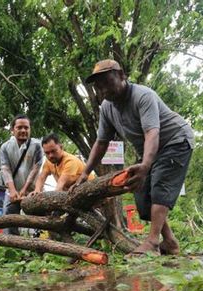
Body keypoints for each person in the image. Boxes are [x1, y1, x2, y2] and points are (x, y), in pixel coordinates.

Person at [72, 59, 194, 256]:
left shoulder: (142, 96)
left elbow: (151, 134)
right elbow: (101, 142)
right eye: (98, 86)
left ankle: (153, 242)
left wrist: (146, 165)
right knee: (141, 193)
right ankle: (170, 241)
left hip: (175, 140)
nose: (103, 89)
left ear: (121, 75)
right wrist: (85, 173)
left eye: (107, 82)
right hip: (149, 149)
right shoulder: (107, 108)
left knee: (159, 187)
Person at [0, 114, 44, 235]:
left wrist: (24, 190)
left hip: (33, 190)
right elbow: (5, 169)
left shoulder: (37, 145)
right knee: (8, 221)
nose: (23, 130)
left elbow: (36, 169)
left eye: (26, 127)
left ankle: (41, 249)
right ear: (12, 130)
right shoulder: (5, 147)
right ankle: (13, 249)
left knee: (40, 223)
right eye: (19, 127)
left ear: (30, 129)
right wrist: (13, 190)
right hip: (12, 191)